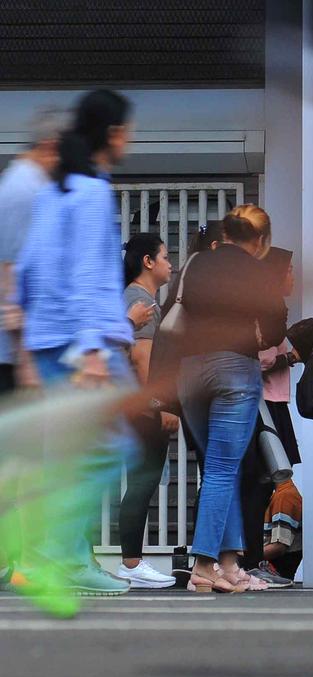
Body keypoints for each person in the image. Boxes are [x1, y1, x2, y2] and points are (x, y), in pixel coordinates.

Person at [12, 89, 138, 601]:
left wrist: (28, 347)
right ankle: (57, 556)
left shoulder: (56, 189)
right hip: (82, 341)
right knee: (113, 448)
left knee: (66, 455)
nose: (131, 139)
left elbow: (26, 269)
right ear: (112, 135)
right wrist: (91, 350)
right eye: (128, 130)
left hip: (50, 338)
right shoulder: (90, 191)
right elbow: (89, 274)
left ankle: (49, 556)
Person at [177, 204, 287, 593]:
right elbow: (276, 327)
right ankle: (204, 566)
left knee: (220, 469)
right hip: (233, 370)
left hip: (190, 371)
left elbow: (181, 307)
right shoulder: (260, 270)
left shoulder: (196, 263)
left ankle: (228, 565)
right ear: (260, 241)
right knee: (225, 469)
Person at [113, 235, 178, 589]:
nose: (171, 263)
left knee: (142, 478)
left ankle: (131, 561)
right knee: (143, 478)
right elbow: (143, 360)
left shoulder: (140, 298)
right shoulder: (141, 300)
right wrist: (161, 405)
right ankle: (132, 563)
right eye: (165, 257)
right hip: (141, 406)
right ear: (148, 262)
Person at [240, 246, 300, 588]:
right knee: (260, 483)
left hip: (274, 401)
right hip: (264, 402)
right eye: (289, 270)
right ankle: (248, 562)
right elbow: (258, 359)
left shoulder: (275, 310)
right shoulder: (265, 311)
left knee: (266, 484)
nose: (293, 276)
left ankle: (253, 561)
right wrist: (290, 358)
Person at [0, 107, 64, 395]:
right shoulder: (24, 189)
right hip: (18, 357)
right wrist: (25, 360)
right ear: (51, 146)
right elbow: (10, 272)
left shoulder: (32, 184)